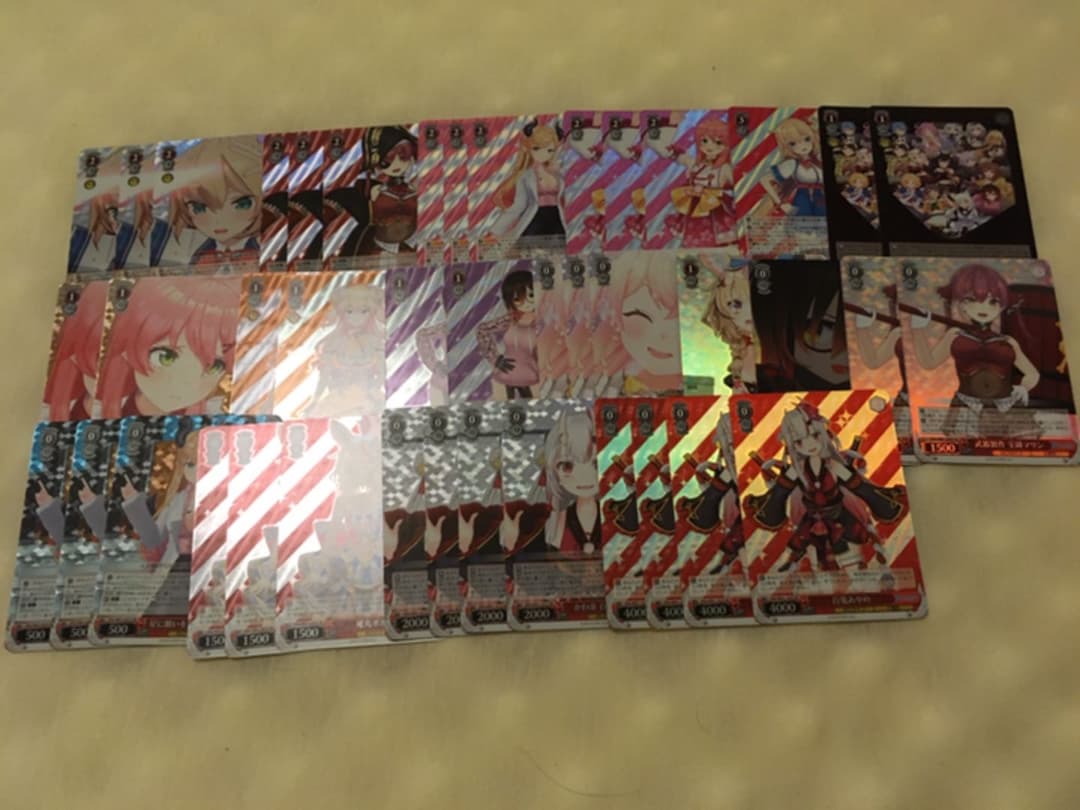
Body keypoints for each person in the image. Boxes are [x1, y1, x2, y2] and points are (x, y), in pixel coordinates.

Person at [745, 403, 905, 572]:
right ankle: (797, 562)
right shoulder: (797, 469)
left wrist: (883, 500)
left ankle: (868, 560)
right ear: (793, 444)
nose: (809, 444)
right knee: (803, 544)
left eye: (814, 435)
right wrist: (767, 508)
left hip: (839, 514)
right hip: (812, 516)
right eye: (799, 441)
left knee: (854, 544)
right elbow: (779, 493)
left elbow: (860, 488)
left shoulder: (833, 466)